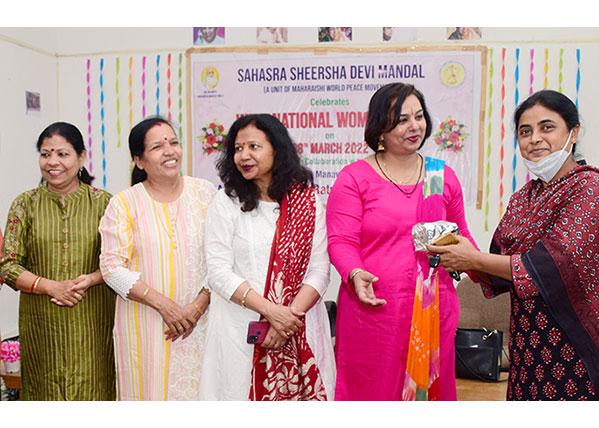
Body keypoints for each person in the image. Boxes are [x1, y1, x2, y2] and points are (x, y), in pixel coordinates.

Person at [429, 90, 599, 400]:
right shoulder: (524, 198)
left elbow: (551, 265)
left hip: (579, 345)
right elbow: (500, 265)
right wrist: (455, 252)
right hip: (529, 347)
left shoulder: (591, 187)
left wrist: (472, 259)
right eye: (525, 131)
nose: (535, 139)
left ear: (573, 132)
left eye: (547, 127)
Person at [326, 82, 476, 400]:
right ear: (380, 129)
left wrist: (489, 273)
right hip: (374, 308)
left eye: (418, 116)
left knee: (428, 397)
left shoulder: (442, 177)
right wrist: (354, 272)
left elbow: (461, 237)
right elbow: (340, 240)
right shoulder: (355, 178)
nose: (414, 126)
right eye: (401, 119)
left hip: (434, 308)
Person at [199, 114, 335, 400]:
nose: (244, 156)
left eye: (253, 147)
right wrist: (273, 313)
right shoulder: (226, 202)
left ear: (277, 149)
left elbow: (320, 270)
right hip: (239, 331)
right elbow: (218, 272)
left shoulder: (306, 202)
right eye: (237, 149)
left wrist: (287, 320)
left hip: (300, 325)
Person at [99, 117, 216, 400]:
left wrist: (197, 307)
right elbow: (111, 268)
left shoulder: (205, 193)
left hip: (201, 323)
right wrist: (164, 305)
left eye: (173, 143)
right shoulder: (124, 203)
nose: (169, 151)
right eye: (157, 147)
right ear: (139, 160)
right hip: (147, 325)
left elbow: (222, 258)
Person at [0, 122, 116, 400]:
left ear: (81, 157)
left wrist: (90, 279)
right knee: (44, 394)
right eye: (45, 153)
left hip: (91, 322)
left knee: (94, 392)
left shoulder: (105, 204)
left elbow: (120, 261)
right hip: (42, 324)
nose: (53, 162)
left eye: (62, 154)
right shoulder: (24, 204)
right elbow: (8, 265)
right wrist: (50, 286)